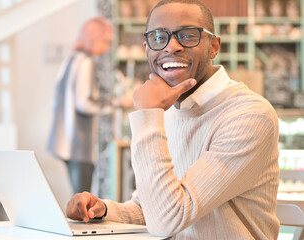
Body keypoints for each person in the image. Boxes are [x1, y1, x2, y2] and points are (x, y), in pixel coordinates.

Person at [66, 0, 280, 239]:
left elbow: (169, 217)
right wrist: (103, 209)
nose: (172, 46)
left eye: (188, 36)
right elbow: (153, 208)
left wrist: (147, 113)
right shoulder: (167, 112)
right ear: (147, 48)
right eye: (159, 37)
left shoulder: (249, 114)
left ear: (214, 46)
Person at [47, 17, 114, 194]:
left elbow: (56, 99)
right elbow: (83, 103)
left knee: (78, 197)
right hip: (78, 144)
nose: (107, 47)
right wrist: (112, 105)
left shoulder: (70, 59)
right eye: (106, 42)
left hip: (62, 141)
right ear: (94, 38)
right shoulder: (87, 62)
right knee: (83, 200)